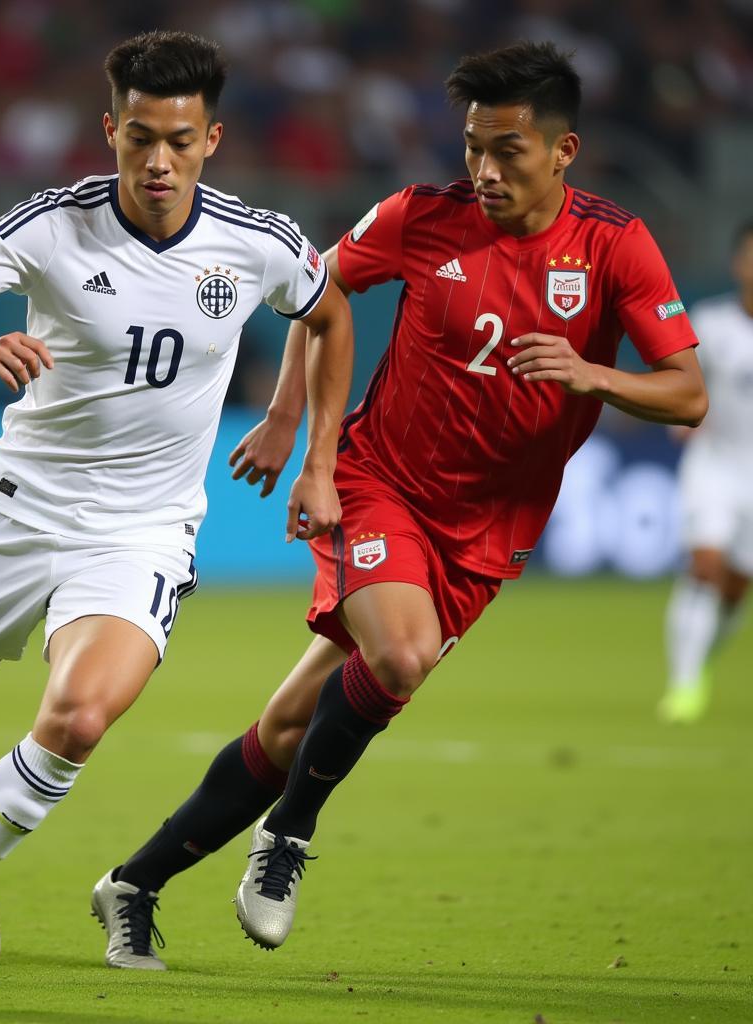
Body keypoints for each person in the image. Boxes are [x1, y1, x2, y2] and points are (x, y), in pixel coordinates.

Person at [89, 39, 708, 970]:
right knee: (402, 654)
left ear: (564, 152)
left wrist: (590, 373)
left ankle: (132, 885)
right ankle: (287, 837)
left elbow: (687, 392)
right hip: (385, 484)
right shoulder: (424, 218)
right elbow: (317, 292)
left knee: (295, 722)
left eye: (508, 151)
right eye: (472, 148)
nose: (485, 171)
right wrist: (298, 430)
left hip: (492, 528)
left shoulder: (615, 244)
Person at [0, 30, 353, 910]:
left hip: (141, 531)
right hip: (18, 508)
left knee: (76, 722)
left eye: (179, 141)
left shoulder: (256, 242)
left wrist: (299, 434)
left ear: (210, 142)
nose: (157, 160)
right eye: (139, 137)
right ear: (110, 130)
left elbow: (329, 314)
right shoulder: (52, 225)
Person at [658, 221, 753, 723]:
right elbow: (683, 382)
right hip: (714, 465)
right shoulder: (713, 323)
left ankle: (701, 663)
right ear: (738, 263)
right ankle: (684, 684)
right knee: (705, 566)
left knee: (736, 588)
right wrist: (684, 416)